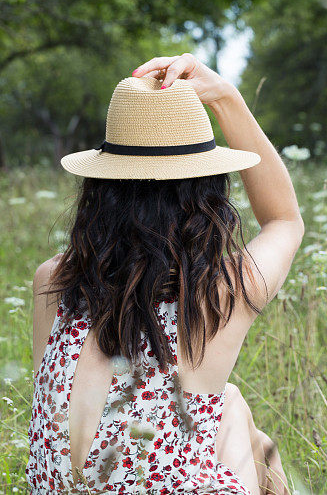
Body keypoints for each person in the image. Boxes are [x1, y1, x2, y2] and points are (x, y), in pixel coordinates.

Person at [26, 53, 304, 494]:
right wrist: (227, 99)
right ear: (207, 196)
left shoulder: (54, 282)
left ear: (98, 188)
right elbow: (284, 220)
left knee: (228, 405)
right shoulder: (217, 295)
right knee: (235, 416)